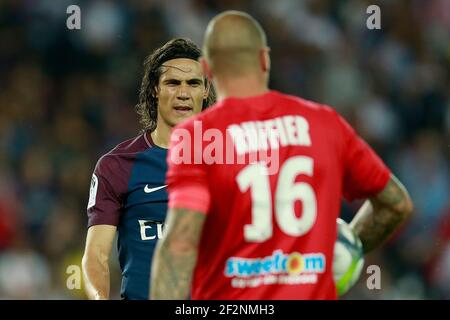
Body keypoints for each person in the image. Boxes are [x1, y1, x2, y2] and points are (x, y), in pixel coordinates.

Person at [150, 11, 413, 300]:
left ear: (207, 70)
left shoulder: (197, 136)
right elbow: (395, 205)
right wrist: (340, 255)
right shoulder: (325, 123)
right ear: (265, 59)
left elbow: (180, 244)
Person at [81, 38, 214, 300]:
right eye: (173, 83)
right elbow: (96, 255)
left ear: (206, 90)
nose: (184, 93)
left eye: (193, 83)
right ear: (155, 89)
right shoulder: (117, 165)